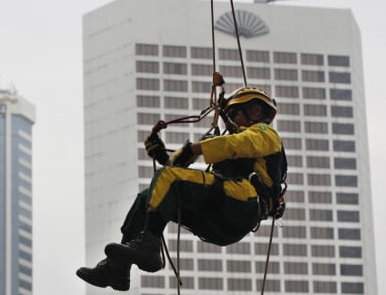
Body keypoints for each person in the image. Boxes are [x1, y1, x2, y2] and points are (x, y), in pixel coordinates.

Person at [76, 86, 287, 291]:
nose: (230, 120)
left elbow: (238, 144)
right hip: (220, 216)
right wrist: (163, 156)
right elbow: (170, 176)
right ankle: (118, 267)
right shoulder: (229, 140)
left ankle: (149, 247)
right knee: (147, 196)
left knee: (170, 179)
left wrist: (196, 148)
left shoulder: (264, 133)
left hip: (243, 204)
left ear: (256, 111)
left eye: (234, 114)